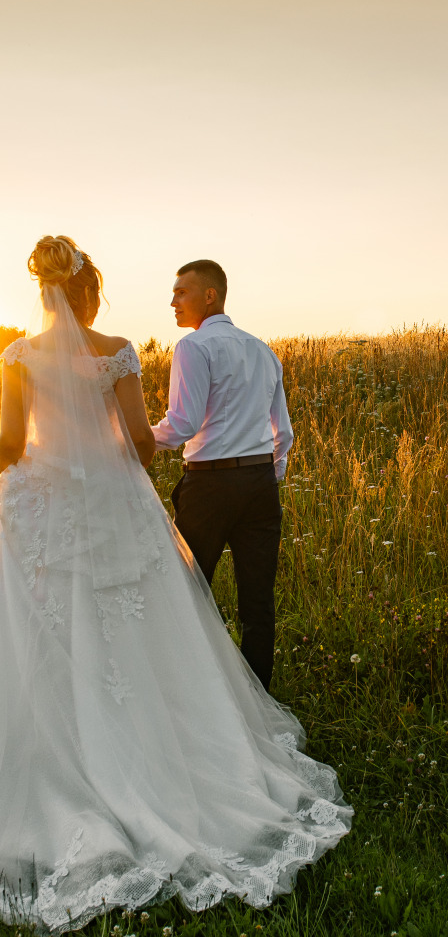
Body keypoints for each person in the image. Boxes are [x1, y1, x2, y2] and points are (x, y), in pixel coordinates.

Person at [0, 237, 351, 937]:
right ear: (90, 291)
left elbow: (8, 444)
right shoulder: (117, 349)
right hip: (117, 500)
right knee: (143, 619)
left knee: (44, 622)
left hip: (45, 496)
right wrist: (113, 455)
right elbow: (143, 442)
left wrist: (34, 475)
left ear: (45, 291)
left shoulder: (18, 356)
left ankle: (49, 754)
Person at [152, 260, 293, 692]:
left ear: (209, 295)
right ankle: (258, 700)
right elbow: (282, 432)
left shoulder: (193, 347)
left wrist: (133, 438)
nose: (172, 301)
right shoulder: (262, 349)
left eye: (181, 292)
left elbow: (182, 425)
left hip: (210, 485)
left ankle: (189, 693)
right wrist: (266, 475)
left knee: (188, 592)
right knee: (257, 601)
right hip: (259, 485)